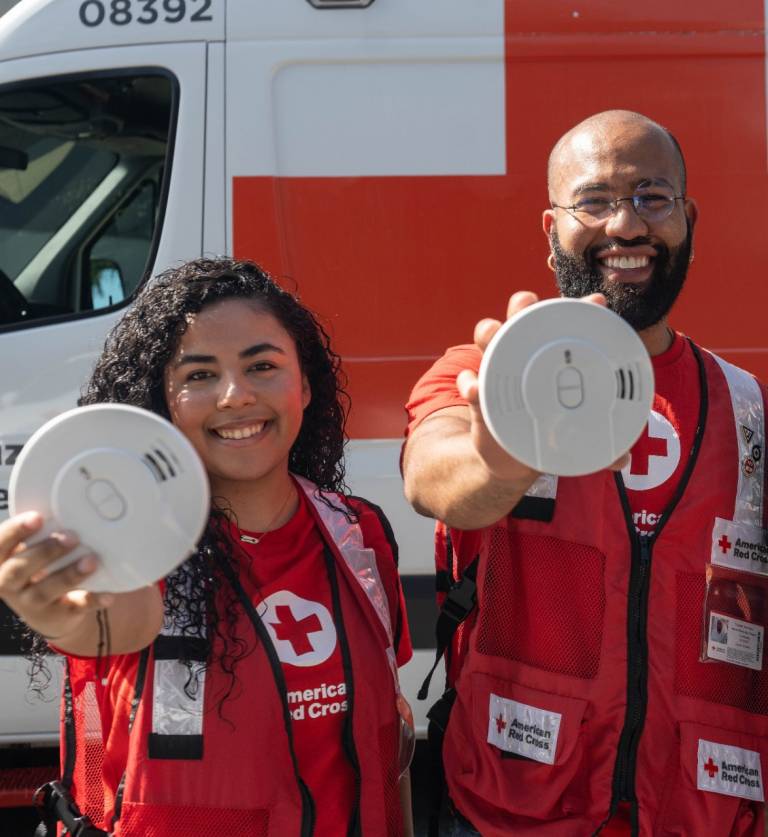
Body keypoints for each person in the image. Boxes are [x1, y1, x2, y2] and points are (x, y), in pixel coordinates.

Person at [402, 110, 768, 836]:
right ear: (550, 230)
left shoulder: (748, 406)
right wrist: (497, 457)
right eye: (594, 201)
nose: (626, 226)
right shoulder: (485, 376)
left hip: (701, 812)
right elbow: (435, 479)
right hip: (509, 812)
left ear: (688, 218)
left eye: (652, 198)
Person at [0, 258, 414, 837]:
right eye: (198, 376)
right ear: (161, 404)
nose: (235, 396)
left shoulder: (358, 532)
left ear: (306, 384)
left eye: (262, 366)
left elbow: (389, 742)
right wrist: (54, 608)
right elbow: (113, 621)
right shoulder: (131, 547)